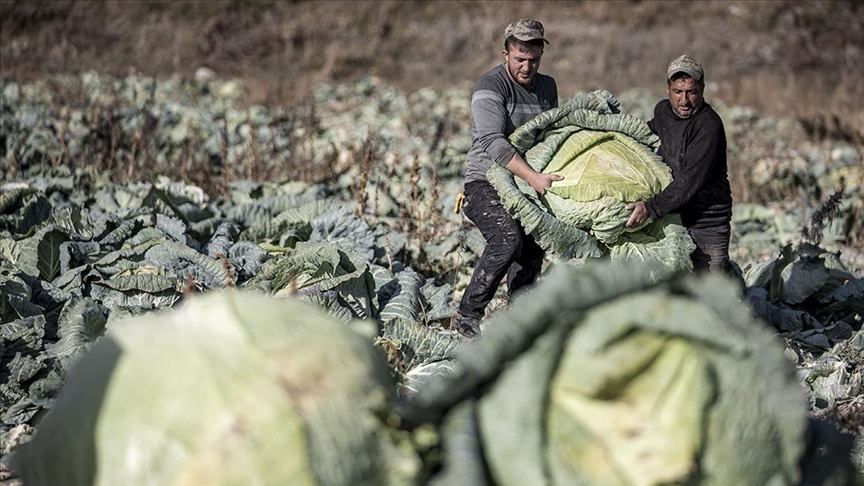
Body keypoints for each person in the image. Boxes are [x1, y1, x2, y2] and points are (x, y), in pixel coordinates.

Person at [452, 18, 563, 338]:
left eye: (533, 60)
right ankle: (467, 314)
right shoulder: (490, 85)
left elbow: (550, 136)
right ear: (505, 54)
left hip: (525, 183)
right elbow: (492, 141)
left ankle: (519, 318)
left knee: (533, 245)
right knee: (507, 239)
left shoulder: (547, 87)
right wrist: (533, 177)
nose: (527, 67)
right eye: (519, 59)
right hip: (484, 181)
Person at [625, 54, 733, 273]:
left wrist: (650, 207)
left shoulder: (708, 126)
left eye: (692, 92)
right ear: (668, 89)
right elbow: (645, 137)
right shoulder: (663, 112)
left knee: (709, 291)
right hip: (673, 219)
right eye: (678, 92)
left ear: (702, 89)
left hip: (706, 223)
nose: (684, 100)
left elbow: (689, 180)